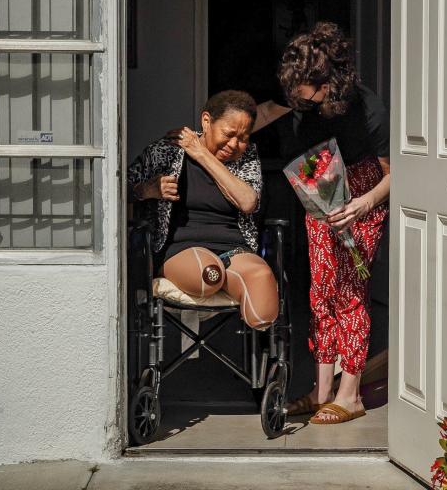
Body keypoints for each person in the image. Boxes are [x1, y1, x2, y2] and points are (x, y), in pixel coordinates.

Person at [277, 21, 390, 425]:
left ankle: (350, 392)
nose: (297, 98)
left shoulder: (368, 109)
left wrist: (363, 204)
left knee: (350, 291)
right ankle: (321, 389)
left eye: (304, 90)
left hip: (361, 193)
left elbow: (395, 173)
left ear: (329, 81)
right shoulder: (304, 102)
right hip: (321, 188)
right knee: (321, 289)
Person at [127, 90, 278, 329]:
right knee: (208, 273)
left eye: (242, 137)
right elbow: (119, 189)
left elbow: (248, 202)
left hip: (235, 250)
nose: (233, 144)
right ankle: (221, 278)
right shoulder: (166, 151)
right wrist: (147, 191)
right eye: (228, 134)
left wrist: (201, 153)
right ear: (206, 121)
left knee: (263, 288)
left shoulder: (247, 157)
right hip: (182, 249)